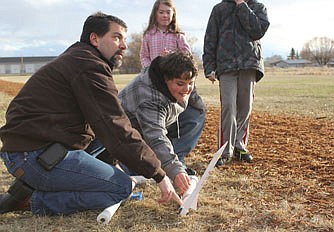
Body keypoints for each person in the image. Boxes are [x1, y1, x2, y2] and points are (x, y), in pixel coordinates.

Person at [0, 12, 182, 216]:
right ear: (94, 39)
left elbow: (103, 128)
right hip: (32, 156)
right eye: (116, 37)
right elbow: (114, 126)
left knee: (106, 137)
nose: (124, 45)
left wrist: (112, 164)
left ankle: (36, 183)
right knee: (121, 188)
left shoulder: (81, 58)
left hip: (33, 148)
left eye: (124, 39)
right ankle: (33, 200)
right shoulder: (89, 66)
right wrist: (159, 175)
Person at [140, 0, 206, 175]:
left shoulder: (178, 35)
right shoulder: (148, 35)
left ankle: (177, 155)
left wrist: (173, 58)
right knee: (159, 119)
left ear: (173, 15)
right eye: (161, 12)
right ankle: (161, 156)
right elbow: (144, 58)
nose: (165, 16)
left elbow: (188, 56)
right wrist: (156, 63)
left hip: (178, 80)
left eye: (168, 13)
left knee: (196, 112)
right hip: (157, 83)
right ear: (155, 14)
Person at [118, 51, 198, 195]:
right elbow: (155, 137)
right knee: (126, 176)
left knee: (197, 113)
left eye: (190, 83)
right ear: (165, 78)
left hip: (150, 124)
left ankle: (174, 158)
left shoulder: (166, 71)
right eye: (180, 84)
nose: (187, 89)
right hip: (121, 138)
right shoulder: (149, 98)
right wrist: (174, 170)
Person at [202, 0, 270, 166]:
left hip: (249, 64)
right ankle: (225, 150)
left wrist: (242, 6)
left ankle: (240, 146)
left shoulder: (258, 7)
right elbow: (210, 38)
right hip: (226, 66)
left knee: (245, 107)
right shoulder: (219, 9)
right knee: (228, 108)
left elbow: (257, 31)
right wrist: (209, 67)